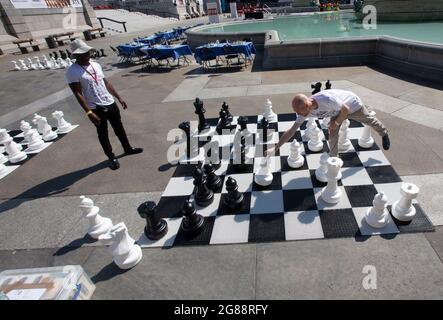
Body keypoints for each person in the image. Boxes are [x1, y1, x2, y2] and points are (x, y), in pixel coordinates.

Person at [66, 39, 142, 170]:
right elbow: (77, 93)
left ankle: (127, 148)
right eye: (83, 54)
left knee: (119, 128)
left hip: (110, 102)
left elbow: (106, 83)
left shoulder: (96, 65)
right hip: (96, 108)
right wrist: (89, 112)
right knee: (103, 134)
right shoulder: (72, 71)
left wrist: (119, 97)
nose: (87, 56)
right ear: (76, 56)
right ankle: (111, 157)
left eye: (88, 52)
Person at [265, 89, 390, 157]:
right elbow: (291, 131)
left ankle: (384, 133)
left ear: (308, 105)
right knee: (332, 133)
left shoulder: (327, 100)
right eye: (298, 112)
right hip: (335, 111)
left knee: (369, 120)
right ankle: (334, 157)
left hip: (352, 105)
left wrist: (336, 123)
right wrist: (274, 148)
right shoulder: (303, 110)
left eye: (302, 112)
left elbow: (345, 109)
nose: (300, 115)